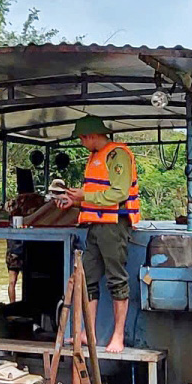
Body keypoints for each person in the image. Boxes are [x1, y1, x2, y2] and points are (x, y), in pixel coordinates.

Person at [53, 116, 140, 352]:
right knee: (88, 277)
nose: (82, 143)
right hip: (95, 226)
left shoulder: (117, 155)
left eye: (81, 139)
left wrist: (84, 197)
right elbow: (94, 193)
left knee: (116, 279)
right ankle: (85, 333)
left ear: (90, 136)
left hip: (113, 225)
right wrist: (73, 201)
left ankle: (118, 336)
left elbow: (119, 193)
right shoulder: (94, 156)